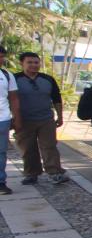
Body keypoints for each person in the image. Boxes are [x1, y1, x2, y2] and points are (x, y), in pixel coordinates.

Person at [14, 52, 68, 185]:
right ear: (22, 63)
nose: (34, 65)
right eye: (30, 62)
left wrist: (60, 116)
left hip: (46, 119)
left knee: (49, 146)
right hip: (24, 120)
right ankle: (31, 174)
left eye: (36, 62)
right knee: (27, 148)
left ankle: (54, 172)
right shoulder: (14, 79)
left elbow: (56, 98)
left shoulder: (48, 79)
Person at [0, 46, 21, 195]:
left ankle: (1, 182)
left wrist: (17, 118)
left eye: (1, 56)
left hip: (3, 119)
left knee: (1, 153)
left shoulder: (7, 75)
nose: (0, 59)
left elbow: (13, 98)